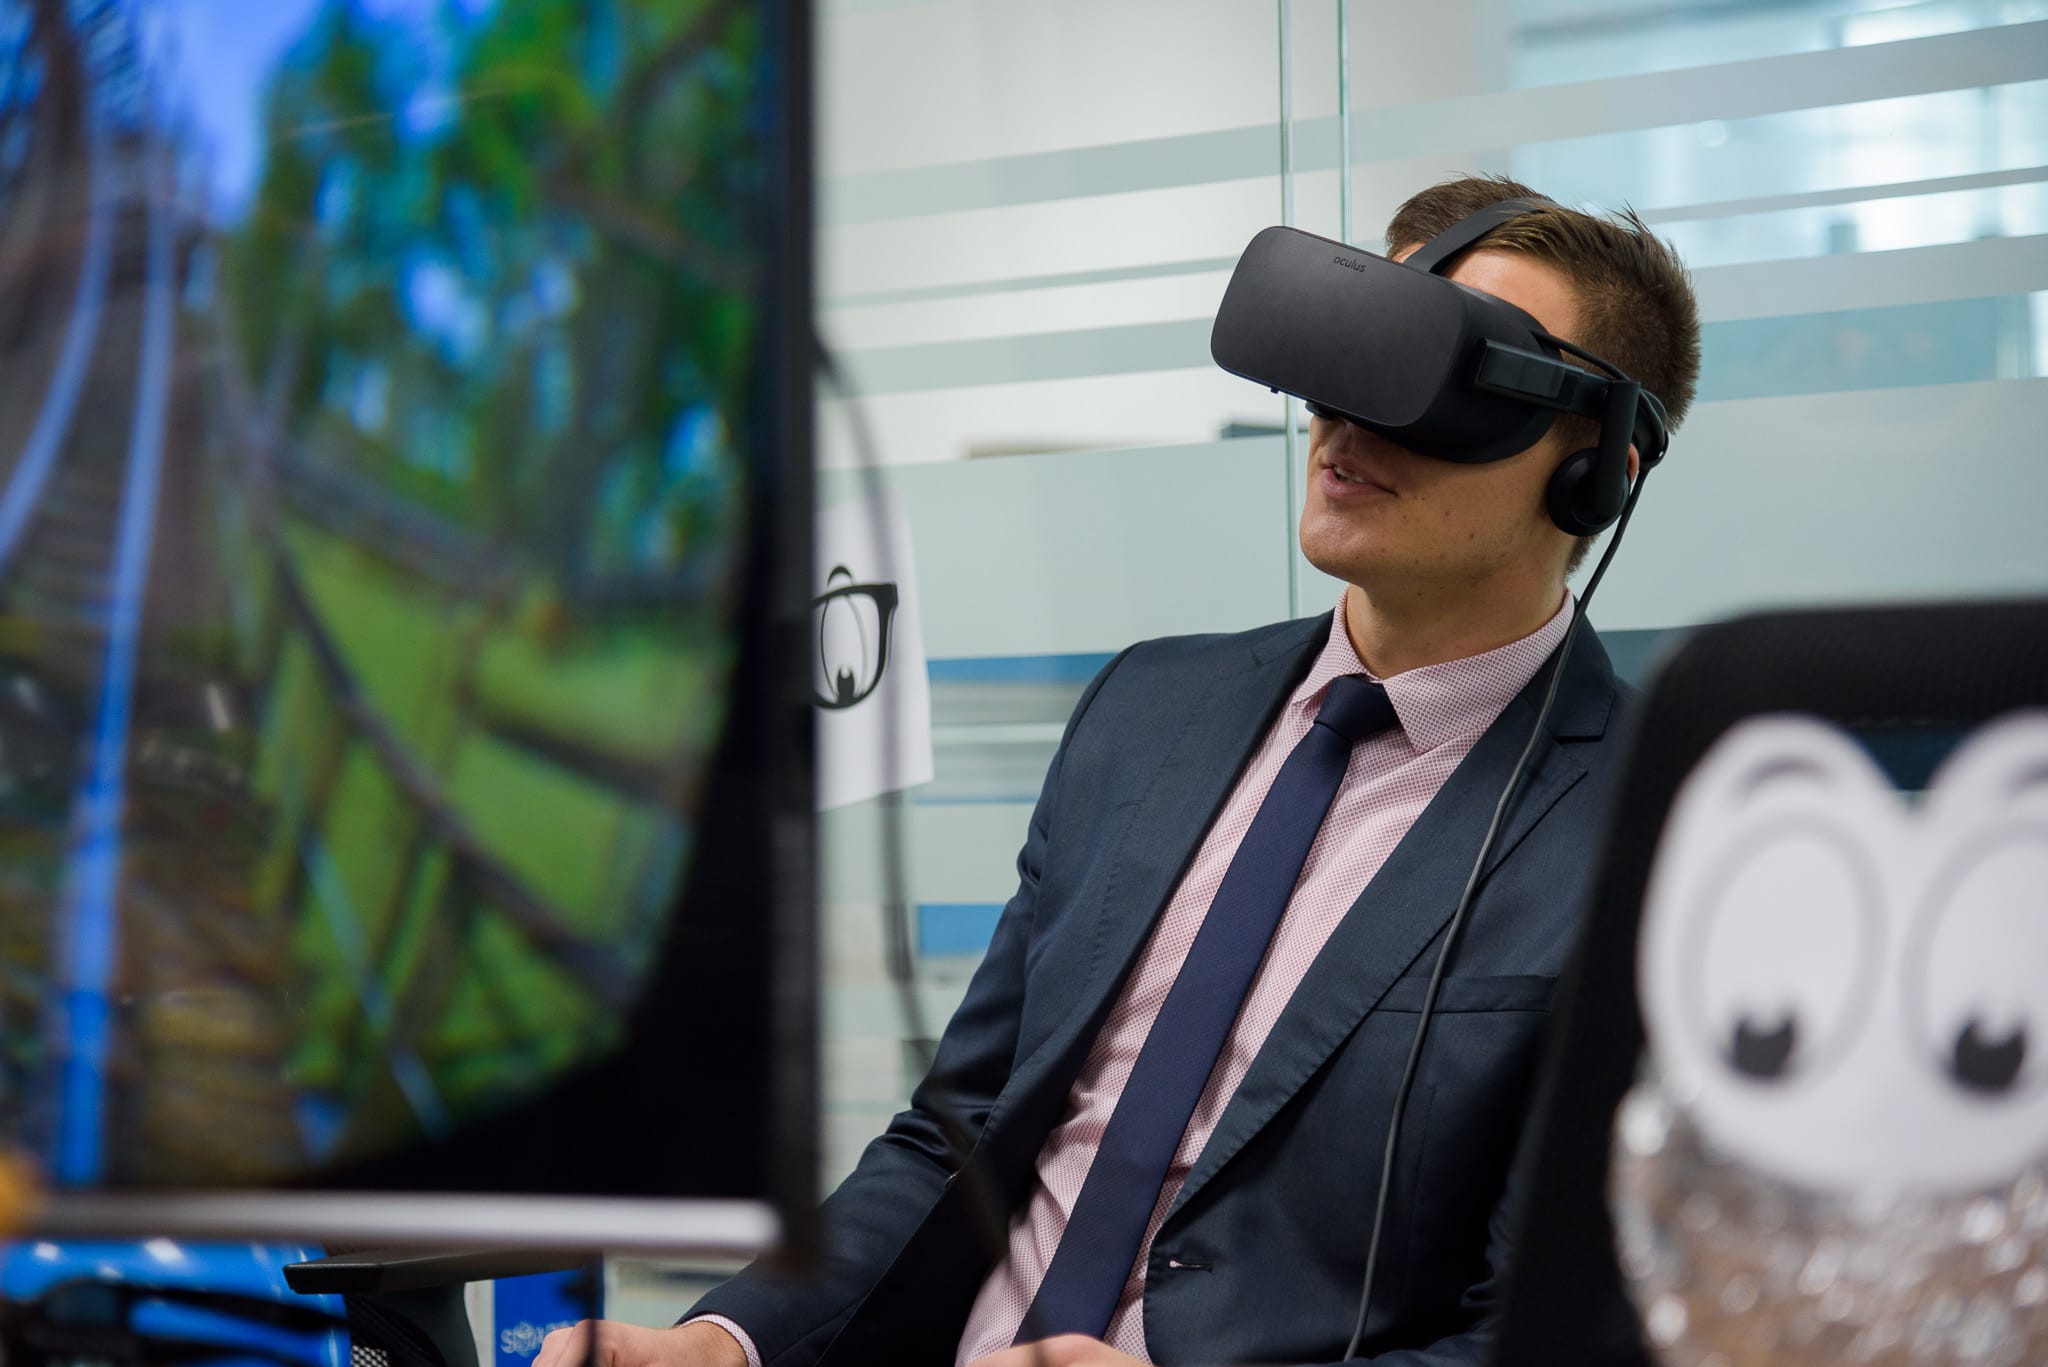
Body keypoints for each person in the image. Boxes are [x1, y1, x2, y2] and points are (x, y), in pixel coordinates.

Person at [536, 173, 1702, 1367]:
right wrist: (724, 1339)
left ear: (1597, 467)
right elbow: (959, 1132)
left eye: (1439, 377)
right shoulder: (1148, 712)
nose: (1350, 415)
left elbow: (1543, 1338)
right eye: (1356, 347)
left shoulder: (1646, 842)